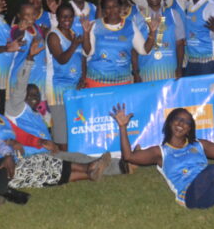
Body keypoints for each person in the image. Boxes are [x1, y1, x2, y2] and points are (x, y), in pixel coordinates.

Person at [110, 104, 214, 222]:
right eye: (177, 119)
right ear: (170, 122)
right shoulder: (160, 152)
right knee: (213, 170)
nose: (181, 124)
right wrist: (123, 127)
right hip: (192, 197)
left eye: (186, 122)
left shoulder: (199, 144)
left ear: (189, 129)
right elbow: (129, 157)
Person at [8, 37, 130, 174]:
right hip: (30, 157)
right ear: (22, 96)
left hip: (47, 153)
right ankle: (119, 168)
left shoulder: (37, 115)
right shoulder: (15, 109)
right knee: (77, 160)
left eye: (36, 95)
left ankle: (121, 166)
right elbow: (20, 84)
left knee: (79, 157)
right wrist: (30, 58)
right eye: (29, 95)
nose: (34, 99)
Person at [0, 84, 112, 189]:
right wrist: (9, 145)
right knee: (41, 167)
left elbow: (21, 135)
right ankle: (88, 168)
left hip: (12, 161)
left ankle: (89, 172)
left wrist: (41, 141)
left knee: (43, 163)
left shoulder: (2, 119)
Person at [83, 0, 157, 87]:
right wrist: (85, 34)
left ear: (120, 7)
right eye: (108, 7)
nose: (112, 10)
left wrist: (152, 32)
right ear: (104, 10)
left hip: (122, 82)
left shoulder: (130, 25)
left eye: (115, 6)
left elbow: (144, 50)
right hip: (96, 81)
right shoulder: (94, 25)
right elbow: (87, 52)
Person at [46, 3, 85, 147]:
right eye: (63, 17)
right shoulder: (53, 36)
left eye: (69, 16)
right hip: (58, 88)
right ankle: (64, 161)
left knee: (73, 124)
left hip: (74, 87)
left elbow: (82, 58)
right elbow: (62, 59)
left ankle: (74, 159)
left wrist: (83, 78)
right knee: (61, 128)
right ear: (57, 18)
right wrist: (74, 45)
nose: (67, 19)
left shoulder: (74, 34)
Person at [131, 0, 185, 82]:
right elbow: (134, 50)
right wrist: (136, 73)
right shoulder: (138, 17)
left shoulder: (173, 14)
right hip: (146, 72)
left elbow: (180, 44)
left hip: (170, 71)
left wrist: (179, 68)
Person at [8, 3, 48, 101]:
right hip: (22, 79)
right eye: (27, 14)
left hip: (38, 79)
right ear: (19, 16)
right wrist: (20, 31)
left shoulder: (37, 28)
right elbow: (17, 36)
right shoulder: (16, 29)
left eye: (33, 14)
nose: (31, 17)